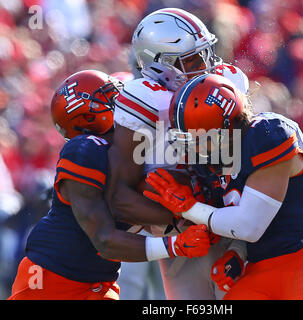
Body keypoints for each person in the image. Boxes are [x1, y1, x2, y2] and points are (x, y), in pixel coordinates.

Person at [7, 70, 212, 300]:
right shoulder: (85, 149)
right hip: (53, 277)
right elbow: (105, 240)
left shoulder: (129, 150)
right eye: (111, 97)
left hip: (101, 282)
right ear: (86, 118)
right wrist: (175, 244)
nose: (123, 101)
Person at [144, 73, 303, 300]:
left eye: (198, 138)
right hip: (259, 266)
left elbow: (249, 225)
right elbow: (238, 219)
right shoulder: (211, 162)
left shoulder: (268, 135)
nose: (193, 147)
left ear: (225, 129)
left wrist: (189, 207)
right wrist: (237, 253)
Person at [108, 7, 250, 300]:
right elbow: (119, 196)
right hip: (173, 234)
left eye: (207, 53)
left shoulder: (223, 86)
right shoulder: (144, 100)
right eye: (195, 59)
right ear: (161, 65)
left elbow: (242, 171)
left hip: (232, 224)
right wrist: (181, 222)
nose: (208, 66)